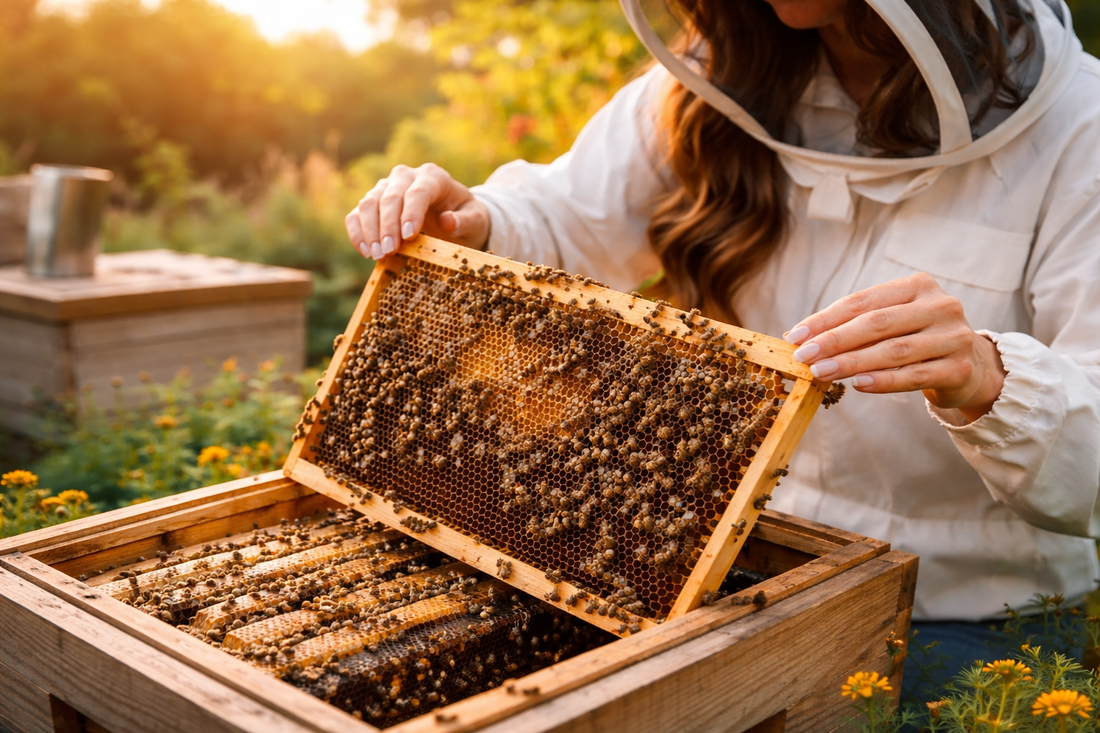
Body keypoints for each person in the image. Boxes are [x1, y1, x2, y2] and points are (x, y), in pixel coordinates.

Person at [345, 0, 1100, 686]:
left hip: (973, 612)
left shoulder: (1080, 128)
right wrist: (480, 224)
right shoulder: (719, 77)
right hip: (733, 569)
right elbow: (571, 216)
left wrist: (987, 376)